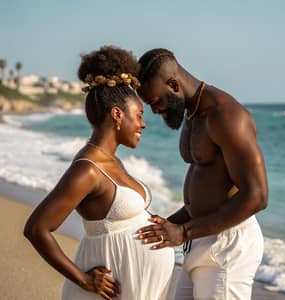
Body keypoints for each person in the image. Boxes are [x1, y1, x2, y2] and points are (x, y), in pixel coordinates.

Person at [24, 46, 174, 300]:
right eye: (138, 115)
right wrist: (83, 279)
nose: (143, 123)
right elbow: (36, 228)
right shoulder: (87, 169)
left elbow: (117, 215)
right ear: (117, 114)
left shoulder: (112, 161)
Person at [136, 48, 268, 299]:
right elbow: (209, 188)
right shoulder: (193, 112)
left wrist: (184, 232)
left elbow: (257, 196)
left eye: (156, 102)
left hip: (227, 247)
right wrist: (169, 224)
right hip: (199, 238)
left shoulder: (226, 115)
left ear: (173, 84)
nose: (153, 110)